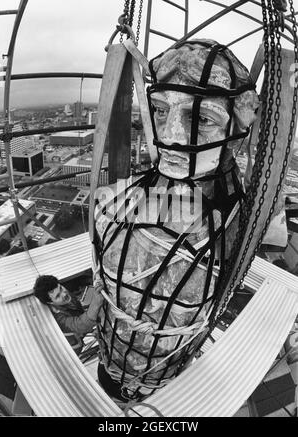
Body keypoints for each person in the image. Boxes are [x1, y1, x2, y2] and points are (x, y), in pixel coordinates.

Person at [92, 39, 284, 402]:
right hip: (123, 364)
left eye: (203, 119)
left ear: (236, 130)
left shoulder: (239, 223)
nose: (170, 137)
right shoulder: (121, 205)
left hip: (165, 377)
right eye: (161, 112)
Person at [33, 275, 102, 355]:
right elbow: (81, 324)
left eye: (61, 288)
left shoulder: (65, 296)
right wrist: (96, 301)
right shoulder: (59, 318)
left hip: (80, 331)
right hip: (73, 349)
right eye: (58, 296)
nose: (64, 294)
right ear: (50, 302)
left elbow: (80, 311)